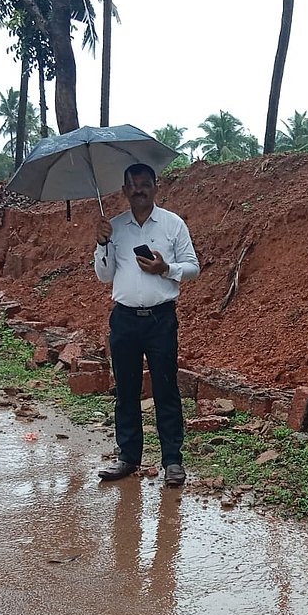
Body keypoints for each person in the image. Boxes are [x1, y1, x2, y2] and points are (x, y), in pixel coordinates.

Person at [94, 163, 200, 485]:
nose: (138, 189)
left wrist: (165, 268)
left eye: (144, 183)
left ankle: (172, 461)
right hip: (124, 320)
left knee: (166, 389)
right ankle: (128, 457)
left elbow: (193, 267)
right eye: (132, 184)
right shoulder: (113, 228)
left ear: (156, 186)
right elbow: (104, 276)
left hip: (160, 320)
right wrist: (101, 243)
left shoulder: (173, 225)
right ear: (124, 190)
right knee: (125, 391)